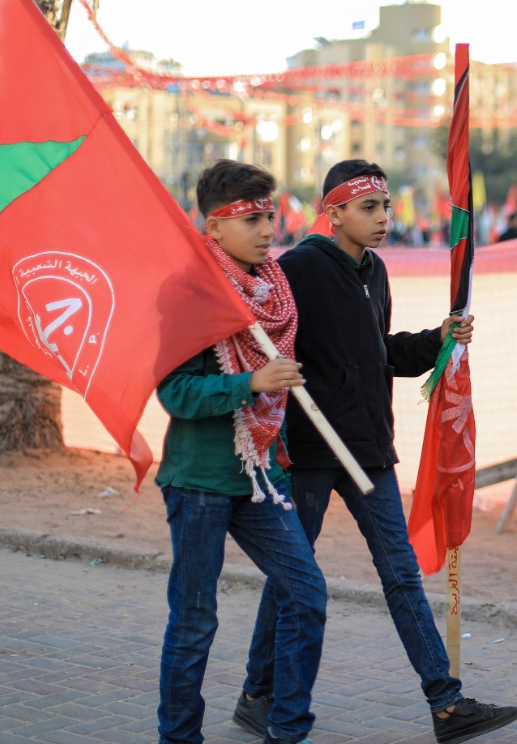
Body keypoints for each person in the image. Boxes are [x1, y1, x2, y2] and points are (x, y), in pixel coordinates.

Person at [236, 159, 517, 744]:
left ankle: (446, 704)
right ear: (334, 212)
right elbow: (261, 337)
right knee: (292, 577)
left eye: (385, 206)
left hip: (369, 449)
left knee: (401, 575)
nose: (383, 217)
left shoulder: (376, 271)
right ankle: (257, 694)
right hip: (312, 453)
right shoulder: (297, 269)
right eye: (368, 207)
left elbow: (380, 353)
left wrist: (436, 340)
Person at [155, 159, 326, 744]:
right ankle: (179, 737)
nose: (267, 230)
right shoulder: (189, 291)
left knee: (306, 593)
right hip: (199, 479)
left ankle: (288, 728)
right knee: (195, 621)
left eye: (269, 217)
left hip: (262, 477)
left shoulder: (274, 289)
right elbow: (175, 392)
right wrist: (250, 382)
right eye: (251, 219)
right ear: (214, 226)